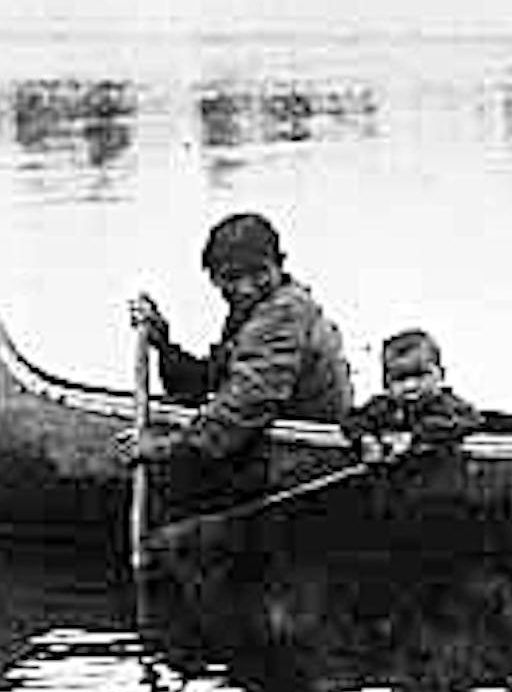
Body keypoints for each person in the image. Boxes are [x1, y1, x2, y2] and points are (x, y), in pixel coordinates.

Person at [119, 211, 355, 513]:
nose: (246, 287)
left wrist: (162, 449)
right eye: (232, 277)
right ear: (214, 279)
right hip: (265, 450)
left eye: (258, 273)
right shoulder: (255, 310)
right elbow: (205, 384)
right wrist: (163, 344)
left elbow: (240, 412)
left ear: (280, 264)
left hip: (304, 466)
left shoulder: (284, 313)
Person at [341, 328, 484, 464]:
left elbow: (469, 422)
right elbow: (352, 421)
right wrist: (366, 439)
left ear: (440, 374)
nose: (410, 385)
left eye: (420, 375)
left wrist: (415, 438)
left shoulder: (450, 405)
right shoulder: (383, 407)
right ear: (386, 383)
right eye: (400, 379)